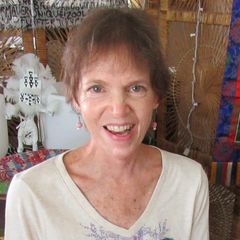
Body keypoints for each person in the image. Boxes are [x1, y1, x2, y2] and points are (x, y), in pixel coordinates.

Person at [5, 7, 209, 240]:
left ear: (156, 97)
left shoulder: (189, 182)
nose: (118, 109)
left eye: (135, 88)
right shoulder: (32, 193)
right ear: (75, 98)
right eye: (97, 88)